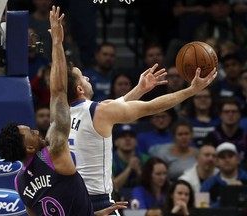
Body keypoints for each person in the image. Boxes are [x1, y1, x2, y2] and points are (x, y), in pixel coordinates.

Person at [0, 6, 127, 216]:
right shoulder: (53, 153)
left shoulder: (20, 183)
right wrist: (56, 43)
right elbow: (58, 93)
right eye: (32, 132)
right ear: (29, 147)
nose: (37, 131)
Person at [67, 49, 217, 215]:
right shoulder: (99, 111)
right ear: (80, 89)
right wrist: (191, 90)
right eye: (83, 77)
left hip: (72, 200)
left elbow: (116, 105)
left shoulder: (63, 114)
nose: (88, 78)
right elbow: (151, 107)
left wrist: (140, 90)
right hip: (97, 201)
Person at [200, 142, 247, 207]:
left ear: (238, 159)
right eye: (222, 157)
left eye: (230, 156)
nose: (227, 160)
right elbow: (202, 210)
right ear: (216, 161)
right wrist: (226, 196)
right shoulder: (207, 185)